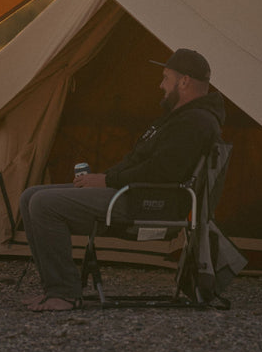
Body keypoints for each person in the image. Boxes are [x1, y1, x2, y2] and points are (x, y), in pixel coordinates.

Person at [19, 48, 226, 312]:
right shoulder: (181, 118)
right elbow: (143, 163)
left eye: (166, 78)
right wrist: (105, 178)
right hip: (133, 193)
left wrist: (108, 181)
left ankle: (64, 293)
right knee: (30, 196)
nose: (160, 85)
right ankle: (53, 289)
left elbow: (161, 172)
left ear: (184, 81)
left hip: (147, 202)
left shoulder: (196, 122)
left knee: (43, 205)